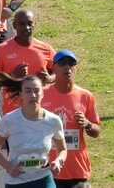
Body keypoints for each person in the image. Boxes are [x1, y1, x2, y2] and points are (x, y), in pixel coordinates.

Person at [0, 76, 67, 187]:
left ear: (42, 93)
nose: (33, 95)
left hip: (44, 179)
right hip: (17, 182)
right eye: (28, 91)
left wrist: (58, 161)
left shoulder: (53, 120)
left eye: (36, 91)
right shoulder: (9, 120)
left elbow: (63, 149)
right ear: (21, 94)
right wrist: (9, 167)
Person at [40, 50, 99, 188]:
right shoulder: (42, 95)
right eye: (62, 63)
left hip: (77, 170)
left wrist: (87, 124)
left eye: (71, 63)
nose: (67, 67)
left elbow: (96, 131)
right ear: (54, 68)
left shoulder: (86, 96)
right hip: (48, 169)